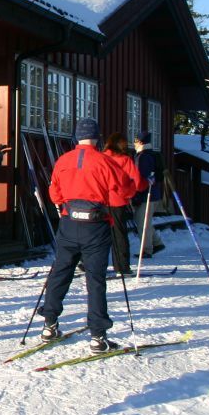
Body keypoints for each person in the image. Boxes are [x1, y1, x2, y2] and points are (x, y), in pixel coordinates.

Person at [41, 118, 135, 353]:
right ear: (97, 137)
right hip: (96, 226)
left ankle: (49, 324)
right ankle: (97, 336)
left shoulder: (63, 160)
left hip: (69, 222)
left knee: (61, 271)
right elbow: (122, 192)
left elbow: (54, 194)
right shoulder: (105, 161)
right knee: (95, 279)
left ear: (76, 136)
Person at [103, 133, 146, 276]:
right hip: (117, 201)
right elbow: (138, 181)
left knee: (97, 233)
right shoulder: (124, 160)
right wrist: (139, 186)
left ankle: (87, 263)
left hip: (99, 200)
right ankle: (122, 267)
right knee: (119, 234)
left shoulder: (101, 158)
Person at [132, 131, 166, 257]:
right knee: (144, 221)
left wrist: (137, 194)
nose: (134, 143)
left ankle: (147, 249)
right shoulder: (151, 155)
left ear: (140, 142)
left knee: (142, 223)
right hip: (153, 195)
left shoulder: (143, 157)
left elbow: (142, 178)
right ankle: (157, 243)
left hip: (146, 195)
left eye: (135, 141)